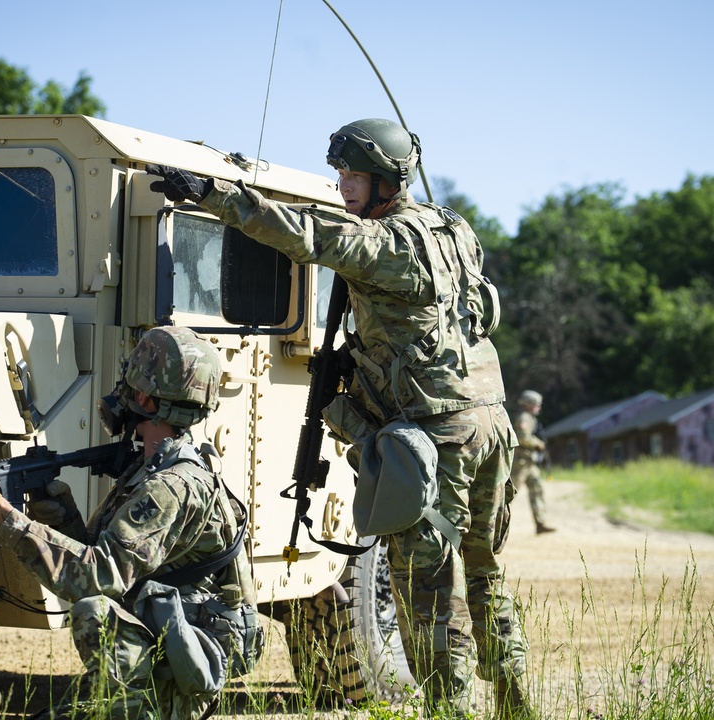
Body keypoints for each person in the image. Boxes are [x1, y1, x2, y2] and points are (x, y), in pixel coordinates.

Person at [148, 118, 533, 719]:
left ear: (386, 180)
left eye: (354, 174)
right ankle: (516, 703)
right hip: (489, 419)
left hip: (439, 434)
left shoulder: (387, 245)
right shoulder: (453, 228)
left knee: (426, 594)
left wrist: (211, 194)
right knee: (482, 572)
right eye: (341, 172)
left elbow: (305, 236)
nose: (343, 184)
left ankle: (450, 711)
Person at [0, 326, 262, 720]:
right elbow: (121, 562)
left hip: (186, 669)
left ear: (144, 398)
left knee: (94, 612)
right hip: (173, 640)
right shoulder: (159, 465)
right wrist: (65, 519)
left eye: (131, 384)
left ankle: (149, 706)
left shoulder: (171, 485)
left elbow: (98, 577)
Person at [511, 389, 555, 535]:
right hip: (521, 463)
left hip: (529, 463)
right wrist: (538, 444)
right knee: (510, 493)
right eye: (537, 404)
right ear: (529, 404)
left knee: (537, 489)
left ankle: (540, 523)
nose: (539, 407)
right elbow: (522, 438)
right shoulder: (524, 418)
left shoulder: (530, 418)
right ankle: (493, 522)